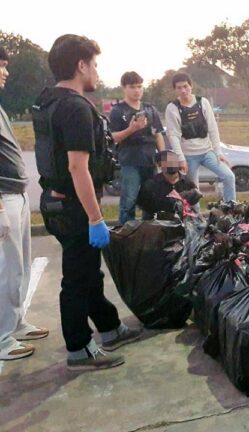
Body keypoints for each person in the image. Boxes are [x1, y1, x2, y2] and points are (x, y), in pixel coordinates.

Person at [33, 34, 142, 371]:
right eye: (94, 64)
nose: (96, 71)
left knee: (88, 271)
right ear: (81, 65)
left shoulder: (47, 101)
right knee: (78, 279)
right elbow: (77, 167)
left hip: (55, 200)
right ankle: (79, 347)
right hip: (74, 206)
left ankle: (109, 327)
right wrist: (96, 218)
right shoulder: (76, 108)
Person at [0, 45, 49, 361]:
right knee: (5, 269)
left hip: (15, 194)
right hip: (3, 198)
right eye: (1, 66)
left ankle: (15, 323)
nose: (5, 72)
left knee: (19, 267)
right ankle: (2, 338)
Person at [165, 73, 236, 202]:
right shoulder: (172, 108)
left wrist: (218, 152)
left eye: (185, 86)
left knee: (229, 176)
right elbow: (173, 136)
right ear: (175, 89)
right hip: (188, 156)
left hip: (207, 152)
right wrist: (181, 158)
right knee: (193, 191)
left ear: (191, 86)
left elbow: (213, 128)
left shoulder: (203, 102)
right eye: (179, 88)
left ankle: (230, 207)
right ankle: (195, 214)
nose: (183, 90)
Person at [109, 71, 164, 224]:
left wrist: (163, 157)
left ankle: (148, 232)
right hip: (130, 160)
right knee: (129, 201)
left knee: (150, 200)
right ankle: (126, 233)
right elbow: (113, 137)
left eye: (139, 86)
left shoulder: (150, 109)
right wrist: (131, 129)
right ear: (124, 88)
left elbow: (158, 134)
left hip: (150, 160)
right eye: (132, 87)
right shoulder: (117, 111)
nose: (137, 90)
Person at [137, 150, 201, 219]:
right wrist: (172, 202)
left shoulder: (188, 183)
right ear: (159, 164)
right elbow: (144, 205)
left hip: (182, 221)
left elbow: (192, 207)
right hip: (157, 221)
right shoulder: (151, 184)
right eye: (168, 162)